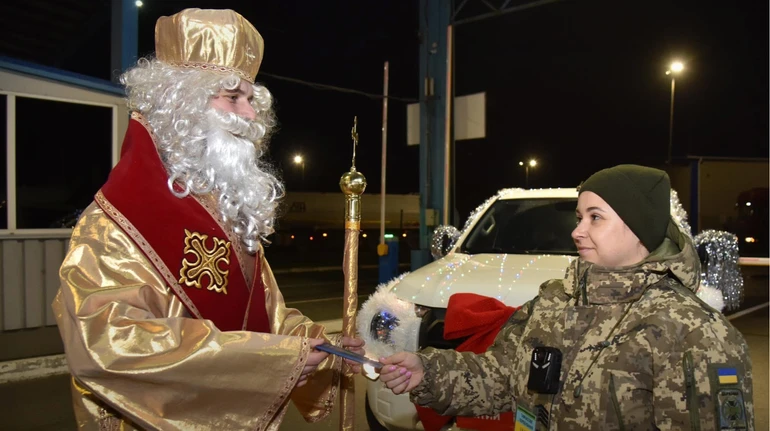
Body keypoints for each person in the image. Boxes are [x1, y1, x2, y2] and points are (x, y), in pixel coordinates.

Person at [52, 8, 363, 430]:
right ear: (180, 102)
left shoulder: (226, 212)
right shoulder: (112, 224)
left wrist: (317, 345)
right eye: (233, 97)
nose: (250, 116)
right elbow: (106, 347)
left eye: (251, 100)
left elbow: (265, 316)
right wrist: (271, 362)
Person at [380, 165, 755, 430]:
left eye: (595, 217)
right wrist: (426, 372)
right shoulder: (555, 301)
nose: (577, 231)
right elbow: (501, 377)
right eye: (579, 217)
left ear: (640, 226)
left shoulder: (694, 333)